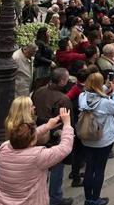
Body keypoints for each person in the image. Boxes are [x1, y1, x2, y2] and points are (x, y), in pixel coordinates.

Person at [0, 108, 73, 205]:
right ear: (31, 141)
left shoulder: (4, 147)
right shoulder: (37, 156)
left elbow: (24, 137)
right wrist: (67, 124)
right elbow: (65, 148)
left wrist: (47, 126)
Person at [31, 68, 73, 205]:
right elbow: (67, 121)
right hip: (53, 139)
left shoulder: (39, 91)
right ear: (62, 81)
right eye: (66, 80)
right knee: (56, 169)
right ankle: (55, 198)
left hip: (36, 136)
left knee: (40, 169)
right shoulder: (63, 99)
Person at [78, 72, 114, 205]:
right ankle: (96, 199)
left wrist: (106, 88)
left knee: (89, 168)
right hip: (103, 140)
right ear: (98, 85)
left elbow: (96, 92)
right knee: (99, 169)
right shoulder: (104, 103)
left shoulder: (82, 96)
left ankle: (88, 198)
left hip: (87, 138)